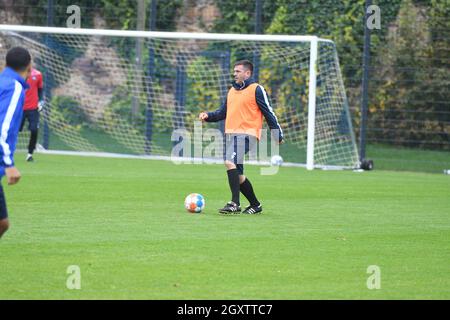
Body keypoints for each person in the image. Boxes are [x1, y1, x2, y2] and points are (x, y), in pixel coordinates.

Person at [199, 60, 284, 215]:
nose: (234, 74)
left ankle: (234, 203)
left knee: (229, 161)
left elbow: (268, 113)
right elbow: (222, 113)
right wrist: (208, 116)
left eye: (238, 71)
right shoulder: (232, 90)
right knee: (238, 175)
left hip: (247, 134)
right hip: (232, 135)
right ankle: (255, 205)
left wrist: (277, 133)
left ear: (247, 73)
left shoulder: (256, 89)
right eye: (234, 71)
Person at [0, 47, 32, 238]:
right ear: (29, 67)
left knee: (2, 223)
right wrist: (9, 163)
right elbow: (3, 127)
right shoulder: (13, 87)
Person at [21, 67, 44, 162]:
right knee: (12, 130)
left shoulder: (38, 74)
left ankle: (29, 155)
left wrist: (41, 102)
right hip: (19, 108)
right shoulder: (17, 73)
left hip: (33, 109)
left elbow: (40, 90)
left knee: (34, 130)